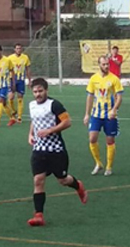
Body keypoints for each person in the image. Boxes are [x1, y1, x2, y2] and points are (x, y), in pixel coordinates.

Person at [27, 77, 88, 227]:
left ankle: (77, 185)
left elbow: (67, 122)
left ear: (46, 90)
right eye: (35, 91)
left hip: (56, 150)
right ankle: (38, 215)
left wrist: (50, 130)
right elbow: (34, 121)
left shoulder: (54, 105)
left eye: (40, 91)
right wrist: (30, 134)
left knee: (62, 180)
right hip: (39, 150)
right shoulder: (32, 105)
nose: (38, 94)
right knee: (38, 180)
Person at [84, 55, 123, 176]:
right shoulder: (93, 79)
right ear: (99, 65)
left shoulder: (114, 79)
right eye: (104, 64)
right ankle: (98, 163)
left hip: (109, 115)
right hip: (96, 114)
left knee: (110, 140)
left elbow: (119, 97)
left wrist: (114, 109)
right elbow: (90, 97)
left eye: (108, 64)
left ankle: (109, 167)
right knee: (92, 138)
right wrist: (86, 114)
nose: (106, 66)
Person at [8, 43, 32, 123]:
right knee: (10, 98)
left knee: (20, 98)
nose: (18, 50)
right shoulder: (10, 58)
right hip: (12, 79)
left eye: (20, 48)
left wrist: (29, 80)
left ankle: (19, 117)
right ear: (14, 49)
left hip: (21, 80)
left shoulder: (25, 57)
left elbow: (28, 69)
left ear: (22, 49)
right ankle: (14, 111)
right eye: (17, 48)